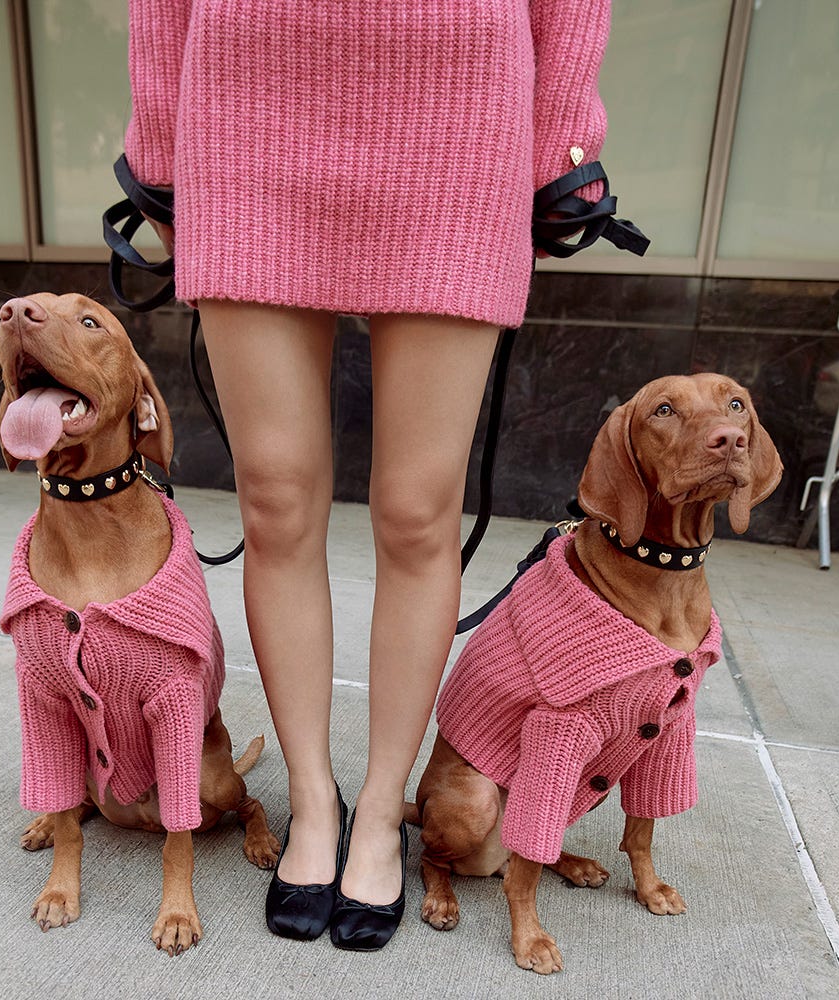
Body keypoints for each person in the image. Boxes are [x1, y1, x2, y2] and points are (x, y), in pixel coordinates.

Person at [124, 0, 611, 951]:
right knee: (273, 497)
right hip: (246, 97)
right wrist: (158, 132)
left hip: (461, 104)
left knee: (419, 512)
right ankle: (314, 798)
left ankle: (382, 806)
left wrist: (560, 137)